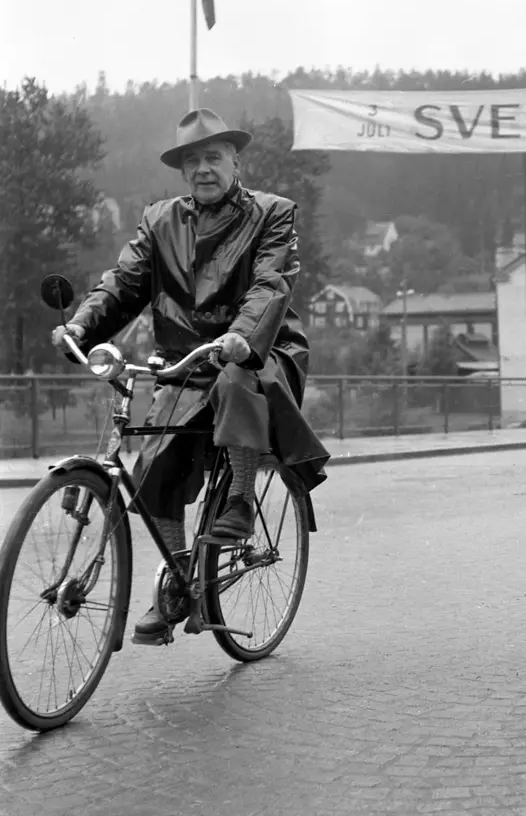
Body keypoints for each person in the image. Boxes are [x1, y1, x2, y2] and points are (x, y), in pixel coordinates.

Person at [52, 108, 330, 642]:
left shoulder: (272, 214)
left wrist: (242, 335)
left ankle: (241, 498)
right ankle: (179, 583)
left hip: (261, 350)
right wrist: (81, 326)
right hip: (185, 361)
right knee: (156, 465)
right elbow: (123, 283)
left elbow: (270, 283)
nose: (204, 168)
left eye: (214, 157)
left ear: (235, 162)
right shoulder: (160, 221)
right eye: (193, 160)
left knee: (235, 379)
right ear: (182, 171)